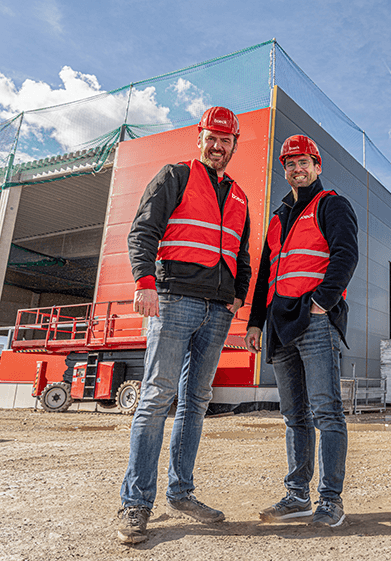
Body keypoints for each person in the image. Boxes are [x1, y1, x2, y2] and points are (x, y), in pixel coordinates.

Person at [117, 106, 251, 544]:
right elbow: (143, 231)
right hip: (174, 300)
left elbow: (242, 255)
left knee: (196, 402)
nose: (218, 146)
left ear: (233, 144)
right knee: (156, 398)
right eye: (211, 137)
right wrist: (144, 282)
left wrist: (236, 298)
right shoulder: (174, 176)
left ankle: (182, 493)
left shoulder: (240, 198)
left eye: (225, 140)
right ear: (200, 137)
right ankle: (136, 503)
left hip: (216, 312)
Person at [244, 134, 358, 528]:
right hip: (279, 326)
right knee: (294, 415)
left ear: (317, 166)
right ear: (285, 170)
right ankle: (297, 495)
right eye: (290, 164)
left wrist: (322, 302)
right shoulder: (277, 218)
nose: (297, 169)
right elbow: (265, 276)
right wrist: (256, 321)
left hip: (313, 321)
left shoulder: (332, 205)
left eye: (304, 162)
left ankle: (330, 499)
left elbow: (346, 254)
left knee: (327, 411)